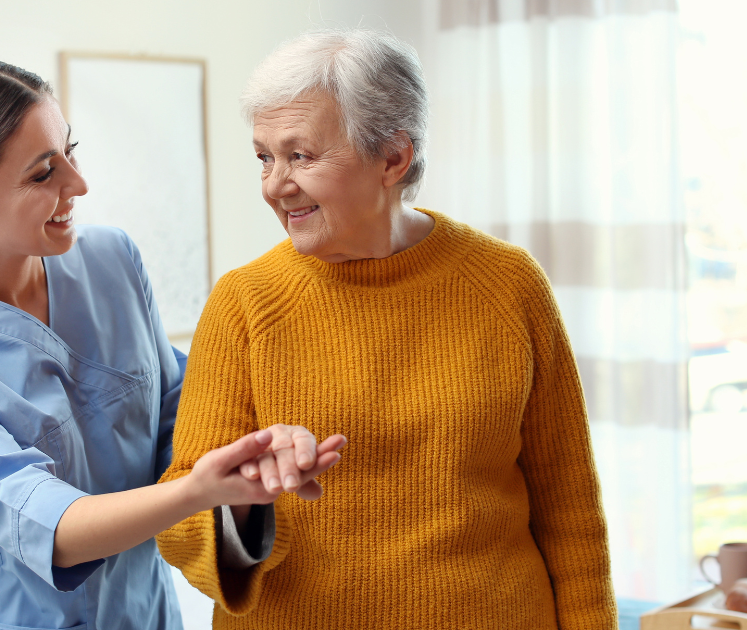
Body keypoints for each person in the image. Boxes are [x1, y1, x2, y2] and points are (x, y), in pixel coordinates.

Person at [0, 57, 343, 630]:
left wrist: (248, 463)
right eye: (43, 174)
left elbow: (176, 420)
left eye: (70, 151)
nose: (78, 184)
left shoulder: (112, 260)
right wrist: (197, 489)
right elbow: (50, 530)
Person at [157, 30, 618, 629]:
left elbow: (571, 509)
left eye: (302, 155)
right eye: (265, 157)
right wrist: (244, 499)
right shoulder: (244, 302)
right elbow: (182, 522)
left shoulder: (508, 284)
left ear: (393, 158)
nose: (275, 184)